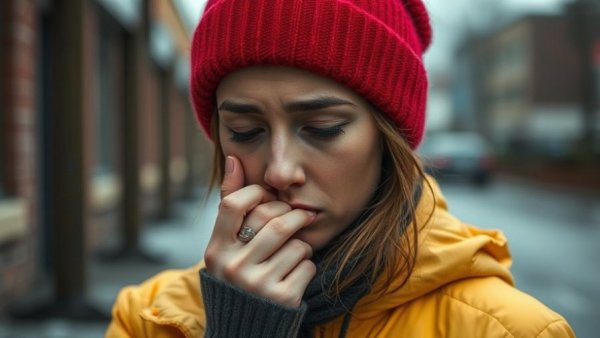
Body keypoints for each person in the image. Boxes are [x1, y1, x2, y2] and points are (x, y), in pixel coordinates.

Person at [106, 0, 575, 337]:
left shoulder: (509, 330)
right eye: (246, 131)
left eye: (324, 128)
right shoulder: (151, 319)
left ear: (387, 137)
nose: (280, 171)